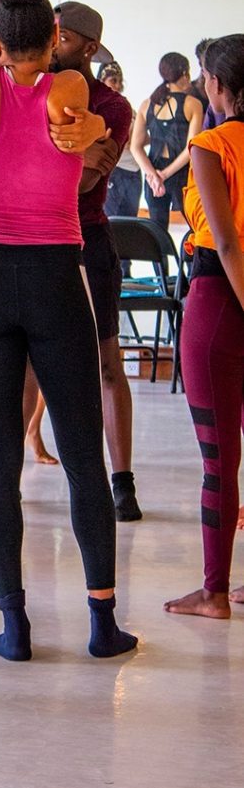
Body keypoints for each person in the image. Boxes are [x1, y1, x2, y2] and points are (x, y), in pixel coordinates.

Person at [0, 0, 137, 661]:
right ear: (56, 35)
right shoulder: (73, 89)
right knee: (83, 454)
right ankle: (101, 622)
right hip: (57, 274)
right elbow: (79, 138)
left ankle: (15, 625)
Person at [164, 34, 244, 618]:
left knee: (220, 459)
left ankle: (215, 592)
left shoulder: (210, 145)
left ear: (215, 86)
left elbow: (228, 242)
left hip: (219, 302)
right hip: (224, 293)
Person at [53, 2, 141, 521]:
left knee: (108, 364)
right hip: (38, 236)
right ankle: (5, 480)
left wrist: (58, 159)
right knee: (26, 369)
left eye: (63, 38)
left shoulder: (112, 106)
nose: (53, 43)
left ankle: (122, 482)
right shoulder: (29, 88)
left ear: (88, 48)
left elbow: (86, 181)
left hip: (87, 236)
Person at [130, 52, 203, 232]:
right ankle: (186, 261)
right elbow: (190, 148)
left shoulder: (147, 104)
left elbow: (135, 146)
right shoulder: (193, 104)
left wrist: (154, 175)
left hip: (153, 173)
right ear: (185, 74)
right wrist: (164, 174)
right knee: (194, 228)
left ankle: (160, 262)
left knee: (157, 232)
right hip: (182, 174)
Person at [100, 62, 142, 221]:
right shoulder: (99, 109)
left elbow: (138, 139)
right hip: (114, 170)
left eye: (119, 81)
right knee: (112, 221)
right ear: (102, 81)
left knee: (131, 222)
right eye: (113, 80)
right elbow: (116, 141)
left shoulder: (129, 110)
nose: (117, 85)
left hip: (133, 171)